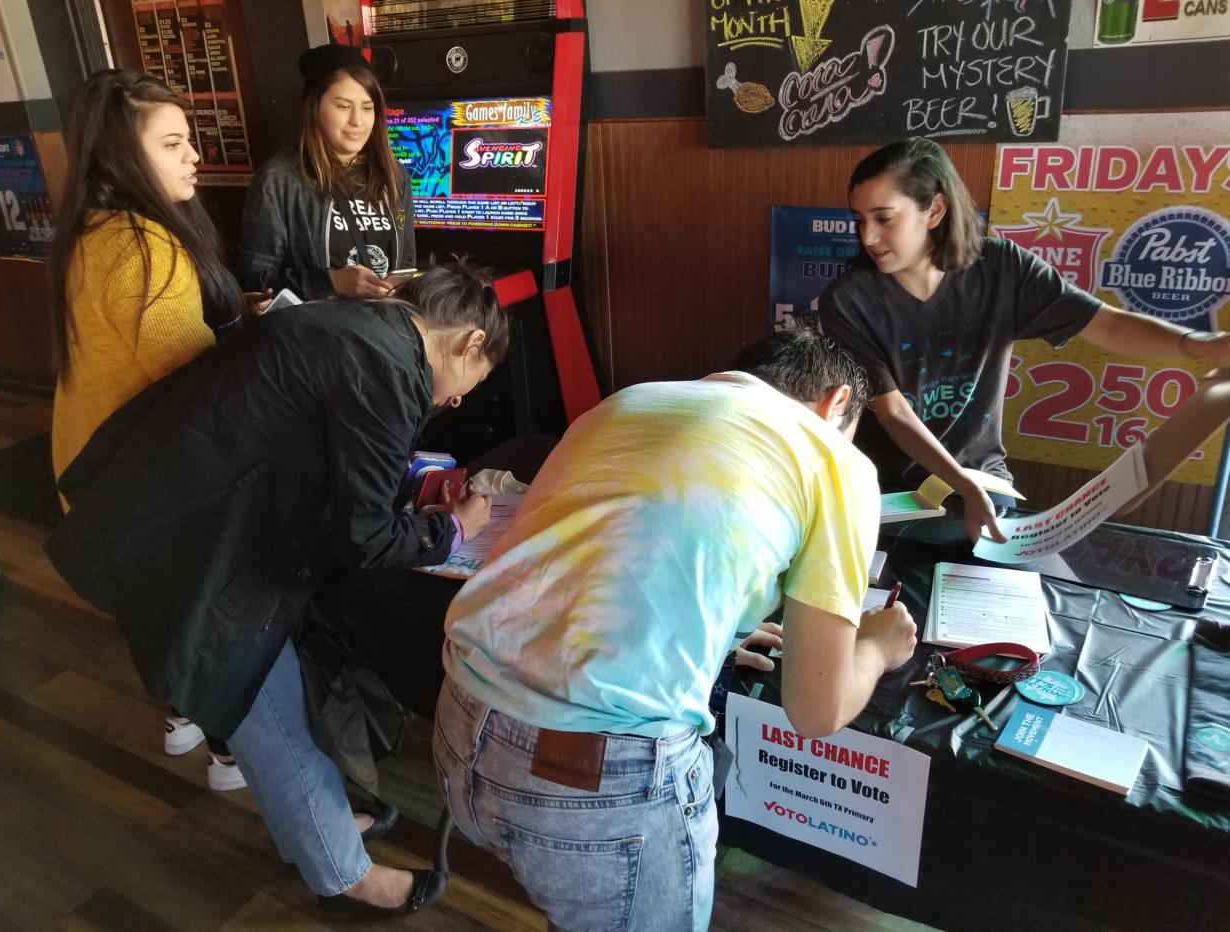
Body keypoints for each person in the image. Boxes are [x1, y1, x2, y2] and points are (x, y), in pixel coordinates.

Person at [45, 259, 506, 916]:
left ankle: (311, 830)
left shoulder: (358, 322)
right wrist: (452, 530)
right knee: (256, 689)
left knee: (261, 688)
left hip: (180, 510)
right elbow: (367, 540)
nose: (453, 401)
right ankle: (342, 877)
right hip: (199, 540)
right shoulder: (391, 369)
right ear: (469, 342)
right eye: (469, 385)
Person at [435, 329, 917, 930]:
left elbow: (613, 560)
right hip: (595, 782)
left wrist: (724, 626)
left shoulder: (627, 402)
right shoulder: (837, 459)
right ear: (836, 402)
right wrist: (876, 647)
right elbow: (817, 710)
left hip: (460, 726)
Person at [817, 137, 1230, 542]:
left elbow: (1107, 325)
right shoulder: (848, 300)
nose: (868, 236)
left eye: (884, 218)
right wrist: (960, 483)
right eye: (859, 220)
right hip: (892, 492)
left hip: (983, 482)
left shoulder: (1002, 268)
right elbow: (894, 414)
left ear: (935, 210)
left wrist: (1202, 345)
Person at [47, 69, 246, 790]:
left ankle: (182, 714)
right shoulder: (145, 246)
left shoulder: (88, 231)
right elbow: (197, 389)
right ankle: (231, 751)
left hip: (93, 472)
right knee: (212, 607)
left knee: (157, 609)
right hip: (149, 480)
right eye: (172, 143)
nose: (193, 155)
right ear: (123, 159)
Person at [237, 43, 416, 302]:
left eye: (367, 107)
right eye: (343, 106)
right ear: (314, 107)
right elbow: (252, 281)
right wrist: (331, 282)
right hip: (318, 333)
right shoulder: (279, 180)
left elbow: (406, 263)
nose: (357, 121)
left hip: (381, 331)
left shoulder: (395, 175)